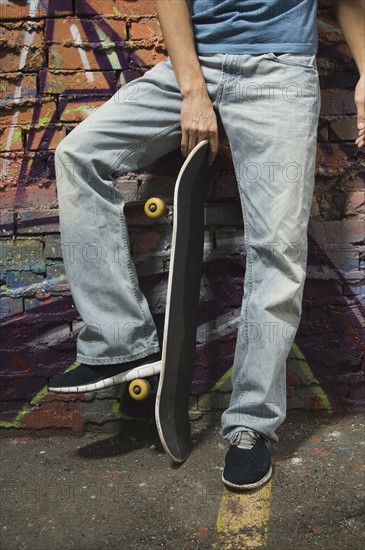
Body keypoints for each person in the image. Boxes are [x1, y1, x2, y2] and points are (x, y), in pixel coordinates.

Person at [48, 0, 364, 490]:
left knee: (277, 251)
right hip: (193, 64)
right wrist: (193, 89)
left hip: (280, 72)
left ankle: (251, 426)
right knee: (78, 155)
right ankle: (121, 339)